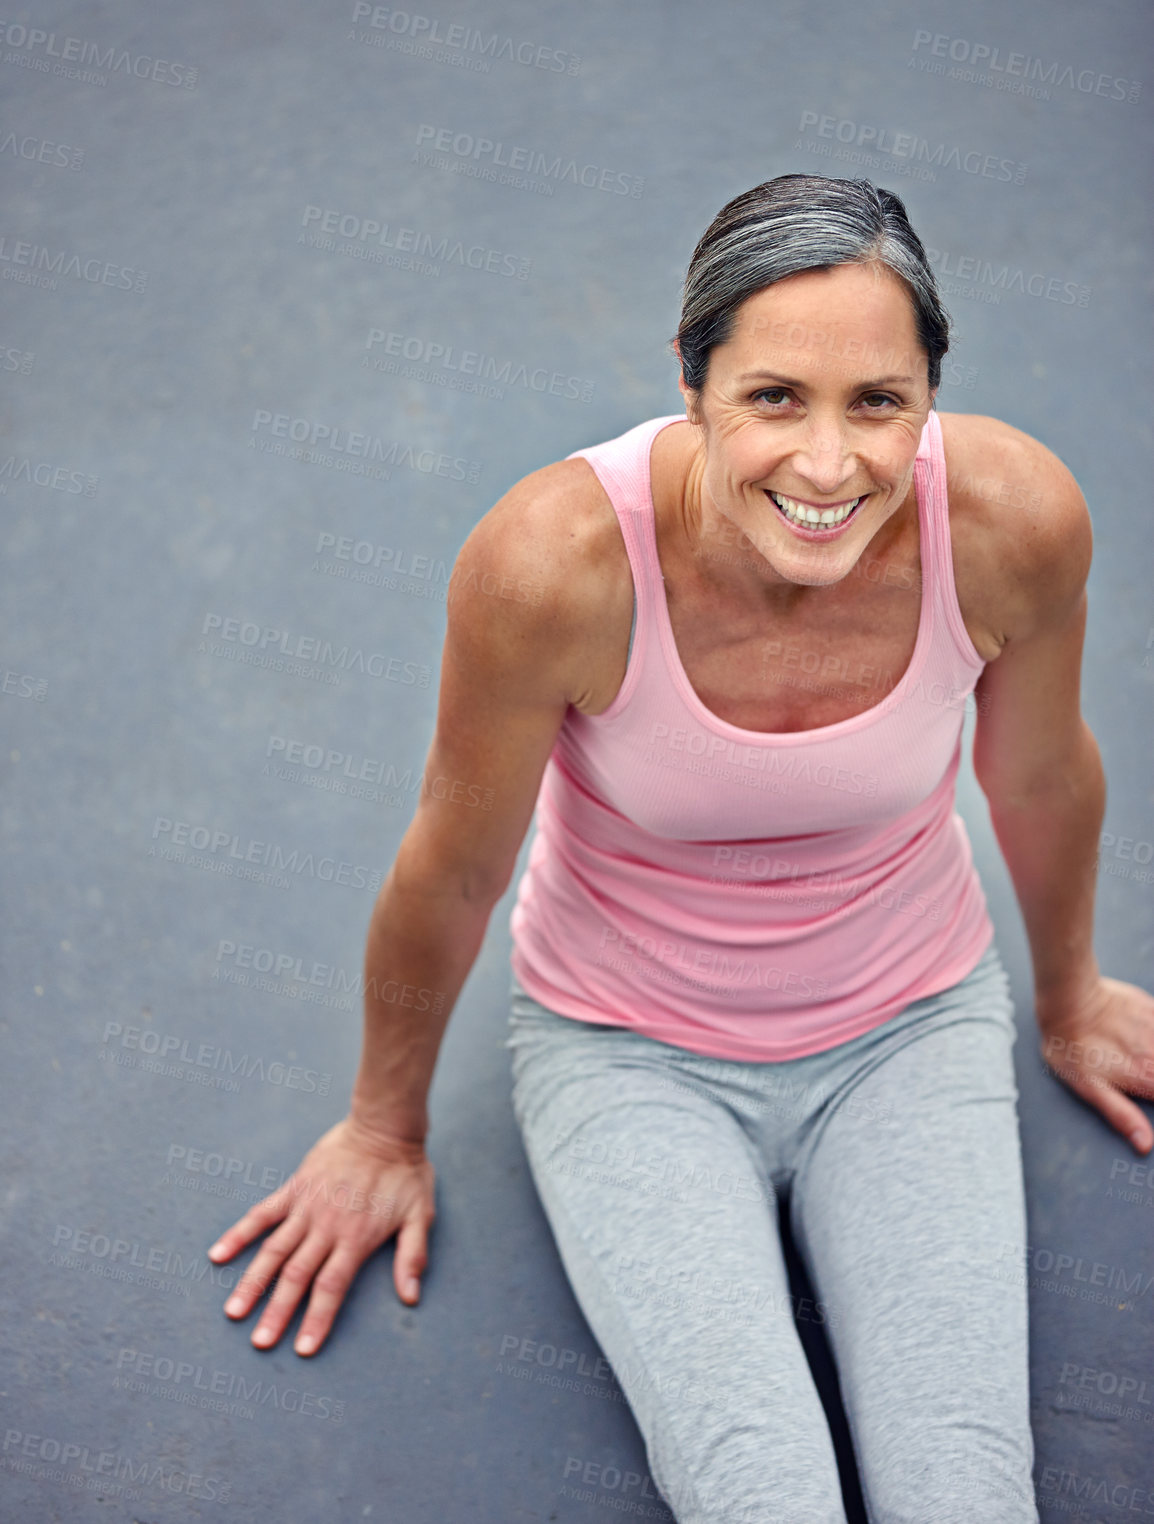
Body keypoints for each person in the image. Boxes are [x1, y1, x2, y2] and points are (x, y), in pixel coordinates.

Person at [208, 175, 1154, 1522]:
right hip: (628, 1053)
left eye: (875, 403)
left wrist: (1066, 998)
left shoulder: (1012, 522)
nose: (827, 468)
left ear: (929, 396)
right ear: (690, 381)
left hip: (910, 1027)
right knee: (759, 1493)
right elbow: (457, 865)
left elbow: (1042, 775)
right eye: (774, 397)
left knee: (966, 1493)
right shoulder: (554, 564)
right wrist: (379, 1125)